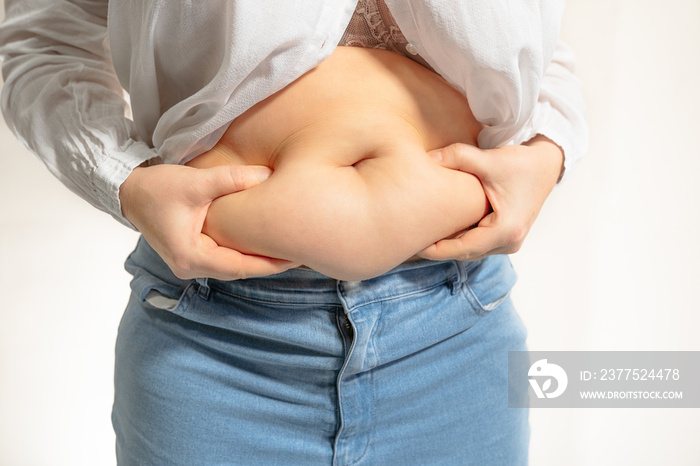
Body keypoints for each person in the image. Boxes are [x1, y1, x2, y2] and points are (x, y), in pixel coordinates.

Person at [0, 0, 588, 464]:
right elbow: (39, 39)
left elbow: (542, 36)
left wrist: (549, 149)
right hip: (217, 342)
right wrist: (122, 179)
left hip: (456, 335)